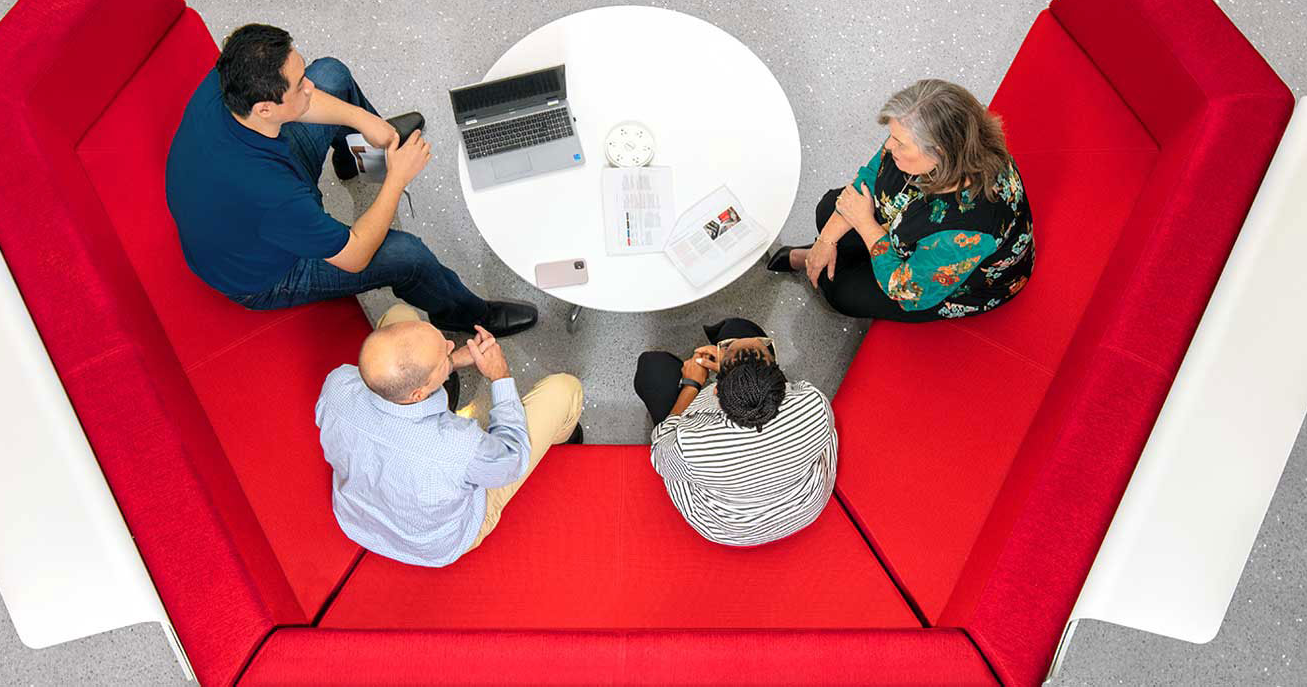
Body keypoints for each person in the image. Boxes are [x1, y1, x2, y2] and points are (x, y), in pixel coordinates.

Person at [165, 23, 536, 337]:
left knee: (333, 74)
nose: (309, 86)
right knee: (408, 256)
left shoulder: (228, 83)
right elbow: (356, 255)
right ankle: (463, 315)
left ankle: (356, 157)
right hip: (265, 274)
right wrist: (397, 179)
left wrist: (364, 120)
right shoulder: (272, 195)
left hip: (254, 197)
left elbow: (311, 96)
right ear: (265, 108)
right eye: (298, 86)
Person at [316, 304, 583, 567]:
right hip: (437, 544)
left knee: (399, 314)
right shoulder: (460, 445)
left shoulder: (337, 384)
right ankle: (563, 437)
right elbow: (509, 463)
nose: (451, 345)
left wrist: (448, 364)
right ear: (418, 394)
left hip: (356, 518)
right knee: (564, 390)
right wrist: (499, 376)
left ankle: (433, 374)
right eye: (445, 355)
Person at [766, 79, 1034, 322]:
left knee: (841, 291)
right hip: (907, 226)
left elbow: (907, 291)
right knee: (828, 209)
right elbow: (871, 174)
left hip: (944, 276)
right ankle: (822, 254)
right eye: (891, 136)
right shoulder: (934, 137)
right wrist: (826, 240)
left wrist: (864, 224)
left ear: (938, 152)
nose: (889, 146)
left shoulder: (973, 225)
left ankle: (821, 263)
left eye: (900, 143)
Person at [633, 319, 837, 546]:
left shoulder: (693, 444)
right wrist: (740, 370)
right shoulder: (814, 404)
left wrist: (691, 384)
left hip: (729, 527)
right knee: (739, 330)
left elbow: (661, 452)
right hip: (804, 506)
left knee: (652, 368)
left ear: (716, 391)